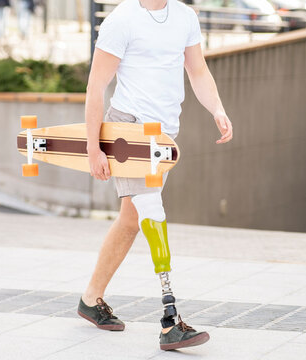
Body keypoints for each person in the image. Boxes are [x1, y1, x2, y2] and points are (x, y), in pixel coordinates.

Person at [79, 0, 233, 351]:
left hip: (164, 135)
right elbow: (96, 85)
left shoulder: (184, 16)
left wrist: (217, 109)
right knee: (152, 212)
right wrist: (93, 147)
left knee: (131, 220)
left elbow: (197, 70)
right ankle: (170, 320)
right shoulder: (122, 19)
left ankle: (90, 299)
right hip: (128, 131)